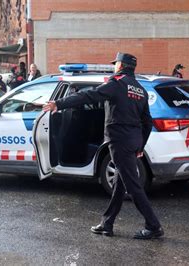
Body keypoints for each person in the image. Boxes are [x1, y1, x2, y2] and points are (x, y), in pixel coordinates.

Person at [42, 52, 163, 240]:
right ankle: (107, 223)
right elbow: (147, 122)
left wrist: (59, 103)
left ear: (121, 65)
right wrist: (140, 145)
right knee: (119, 184)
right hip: (132, 141)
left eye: (116, 64)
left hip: (119, 141)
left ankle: (153, 226)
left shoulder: (116, 84)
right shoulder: (140, 89)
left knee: (132, 186)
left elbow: (89, 96)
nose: (114, 66)